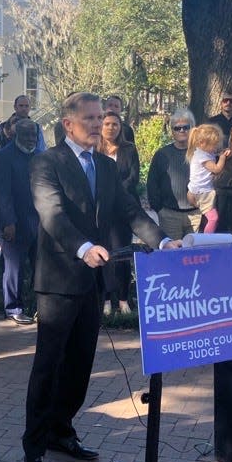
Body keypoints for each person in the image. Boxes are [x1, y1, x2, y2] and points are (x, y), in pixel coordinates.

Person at [22, 92, 179, 462]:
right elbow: (52, 214)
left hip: (92, 281)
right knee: (48, 366)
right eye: (89, 118)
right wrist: (83, 247)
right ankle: (34, 449)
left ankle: (62, 430)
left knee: (79, 364)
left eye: (101, 118)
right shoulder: (46, 163)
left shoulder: (107, 167)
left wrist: (161, 242)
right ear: (67, 122)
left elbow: (130, 211)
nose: (97, 124)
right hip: (58, 281)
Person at [0, 119, 42, 325]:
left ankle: (40, 306)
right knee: (14, 267)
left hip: (39, 220)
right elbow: (2, 193)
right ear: (14, 135)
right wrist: (9, 222)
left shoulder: (40, 156)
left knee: (42, 266)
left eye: (34, 135)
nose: (30, 139)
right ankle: (13, 307)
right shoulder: (3, 157)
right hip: (13, 221)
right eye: (26, 135)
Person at [97, 110, 141, 315]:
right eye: (107, 124)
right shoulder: (95, 149)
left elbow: (133, 177)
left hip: (122, 210)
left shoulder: (129, 149)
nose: (111, 128)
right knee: (104, 254)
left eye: (115, 124)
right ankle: (106, 298)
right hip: (101, 210)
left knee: (122, 254)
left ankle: (123, 298)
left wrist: (115, 194)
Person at [147, 110, 202, 239]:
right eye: (177, 128)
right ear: (172, 131)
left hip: (197, 214)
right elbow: (152, 184)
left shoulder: (201, 153)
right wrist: (159, 209)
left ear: (192, 128)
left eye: (186, 127)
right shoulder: (162, 154)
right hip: (169, 215)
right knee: (172, 255)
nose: (182, 130)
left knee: (195, 256)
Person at [185, 123, 228, 232]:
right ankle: (207, 239)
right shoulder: (202, 156)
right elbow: (216, 169)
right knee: (213, 218)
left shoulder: (203, 153)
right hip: (203, 192)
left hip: (197, 190)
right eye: (214, 145)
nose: (216, 148)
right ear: (202, 143)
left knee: (206, 217)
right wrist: (222, 158)